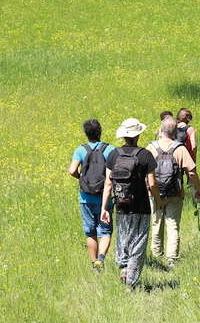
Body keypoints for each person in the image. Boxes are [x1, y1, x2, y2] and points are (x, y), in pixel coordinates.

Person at [100, 118, 161, 290]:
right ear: (138, 134)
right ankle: (131, 282)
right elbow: (152, 183)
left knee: (123, 237)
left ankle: (124, 267)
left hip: (121, 205)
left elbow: (108, 183)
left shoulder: (114, 154)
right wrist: (158, 201)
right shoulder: (145, 155)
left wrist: (104, 208)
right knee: (139, 241)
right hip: (141, 206)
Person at [147, 117, 200, 269]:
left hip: (154, 192)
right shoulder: (180, 149)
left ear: (161, 129)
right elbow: (192, 172)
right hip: (175, 193)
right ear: (175, 132)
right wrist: (198, 189)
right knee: (173, 225)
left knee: (156, 223)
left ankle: (156, 255)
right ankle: (172, 258)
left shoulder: (151, 148)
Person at [68, 119, 116, 271]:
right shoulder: (110, 149)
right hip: (105, 196)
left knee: (91, 232)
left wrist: (81, 178)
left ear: (86, 134)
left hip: (85, 197)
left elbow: (72, 170)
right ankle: (101, 258)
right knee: (105, 231)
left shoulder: (80, 150)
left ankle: (94, 263)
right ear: (100, 131)